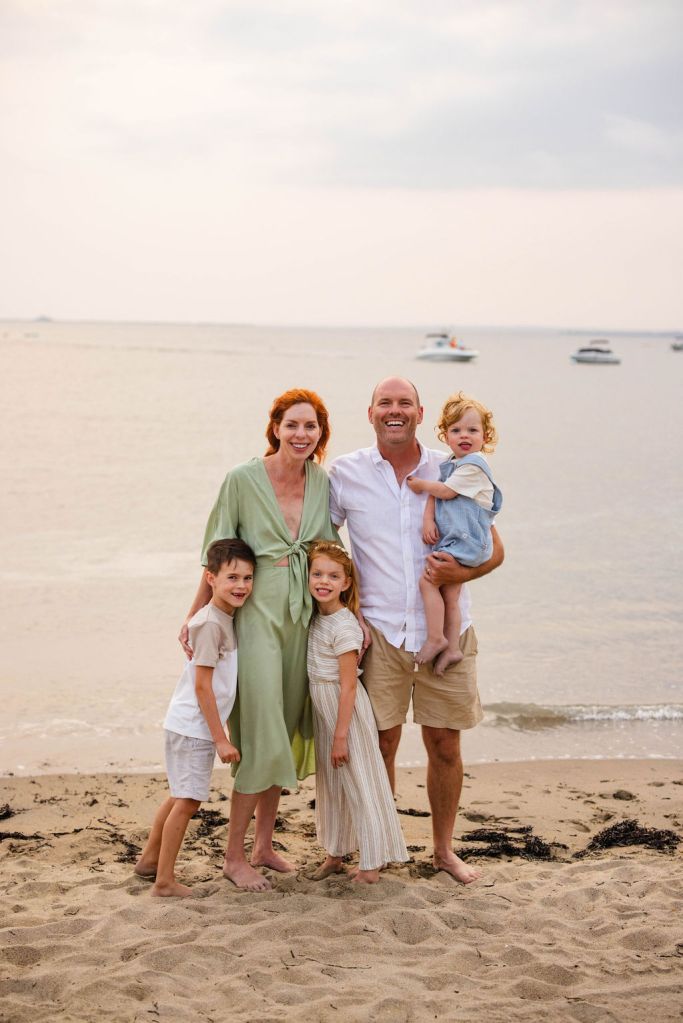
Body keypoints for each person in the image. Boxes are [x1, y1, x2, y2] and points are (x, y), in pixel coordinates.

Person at [328, 377, 504, 885]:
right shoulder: (346, 473)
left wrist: (460, 574)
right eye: (386, 403)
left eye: (404, 403)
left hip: (447, 629)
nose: (395, 411)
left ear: (421, 413)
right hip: (379, 631)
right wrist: (347, 610)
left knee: (445, 744)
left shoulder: (450, 466)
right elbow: (324, 547)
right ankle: (379, 846)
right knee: (380, 744)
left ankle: (444, 851)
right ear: (370, 413)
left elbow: (495, 549)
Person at [179, 389, 339, 891]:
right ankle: (233, 856)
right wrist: (195, 616)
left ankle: (264, 845)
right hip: (256, 620)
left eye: (310, 426)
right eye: (292, 424)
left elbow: (332, 554)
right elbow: (215, 557)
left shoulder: (322, 481)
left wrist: (348, 622)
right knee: (261, 731)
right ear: (275, 427)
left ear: (320, 433)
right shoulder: (241, 480)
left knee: (286, 730)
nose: (301, 434)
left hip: (303, 621)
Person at [136, 538, 255, 897]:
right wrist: (220, 737)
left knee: (178, 796)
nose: (241, 586)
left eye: (248, 578)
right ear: (210, 578)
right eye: (232, 577)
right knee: (188, 801)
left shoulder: (224, 617)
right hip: (194, 726)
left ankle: (148, 862)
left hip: (189, 723)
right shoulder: (208, 624)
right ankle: (165, 882)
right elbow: (202, 686)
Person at [306, 540, 409, 884]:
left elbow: (349, 686)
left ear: (346, 583)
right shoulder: (315, 618)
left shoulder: (344, 626)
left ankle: (372, 864)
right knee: (333, 786)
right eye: (317, 573)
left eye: (333, 576)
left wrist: (340, 735)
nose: (324, 581)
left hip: (345, 716)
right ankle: (335, 854)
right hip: (325, 714)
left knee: (362, 784)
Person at [406, 392, 502, 676]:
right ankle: (452, 647)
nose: (464, 435)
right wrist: (427, 521)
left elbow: (444, 491)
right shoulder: (451, 464)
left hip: (469, 541)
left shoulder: (474, 466)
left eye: (473, 430)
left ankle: (436, 637)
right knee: (450, 594)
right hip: (458, 539)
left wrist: (420, 484)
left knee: (428, 583)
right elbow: (439, 495)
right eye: (456, 430)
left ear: (485, 437)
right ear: (445, 435)